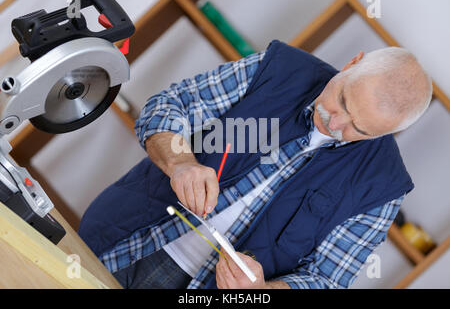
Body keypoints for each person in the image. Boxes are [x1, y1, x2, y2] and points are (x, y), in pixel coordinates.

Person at [78, 40, 432, 289]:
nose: (335, 123)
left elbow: (326, 279)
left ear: (389, 132)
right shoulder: (280, 69)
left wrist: (263, 288)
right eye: (342, 100)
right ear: (352, 63)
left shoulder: (383, 187)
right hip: (121, 237)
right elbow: (171, 105)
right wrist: (181, 162)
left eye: (361, 129)